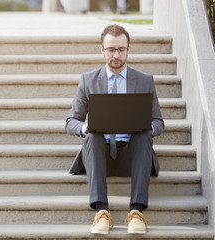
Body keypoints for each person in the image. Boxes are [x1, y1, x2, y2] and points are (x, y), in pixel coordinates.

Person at [65, 24, 164, 235]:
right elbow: (71, 121)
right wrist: (86, 127)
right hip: (100, 157)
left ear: (129, 49)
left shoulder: (145, 81)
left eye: (121, 49)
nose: (116, 55)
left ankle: (136, 212)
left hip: (133, 155)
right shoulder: (88, 80)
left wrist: (147, 126)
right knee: (92, 136)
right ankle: (101, 212)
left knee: (144, 135)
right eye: (111, 49)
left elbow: (158, 122)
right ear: (102, 49)